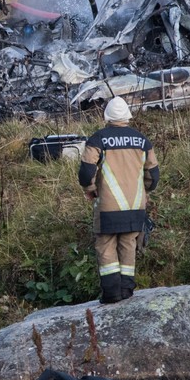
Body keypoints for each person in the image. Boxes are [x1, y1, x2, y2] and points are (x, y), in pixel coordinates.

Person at [78, 97, 159, 304]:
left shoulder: (98, 139)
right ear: (128, 116)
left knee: (105, 247)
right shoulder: (142, 141)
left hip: (107, 207)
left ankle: (112, 294)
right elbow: (154, 175)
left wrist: (90, 189)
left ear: (106, 116)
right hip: (135, 207)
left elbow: (87, 172)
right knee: (128, 245)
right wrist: (144, 190)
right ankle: (127, 291)